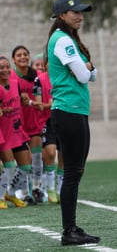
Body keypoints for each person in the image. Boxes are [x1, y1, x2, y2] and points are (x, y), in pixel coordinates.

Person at [45, 0, 99, 246]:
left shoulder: (69, 40)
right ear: (61, 16)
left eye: (81, 12)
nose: (80, 16)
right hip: (69, 111)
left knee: (75, 172)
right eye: (75, 12)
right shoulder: (62, 40)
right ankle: (69, 231)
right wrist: (87, 67)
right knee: (72, 172)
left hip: (74, 111)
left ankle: (72, 228)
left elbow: (91, 74)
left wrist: (87, 68)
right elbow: (83, 73)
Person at [11, 45, 45, 205]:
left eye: (25, 54)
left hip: (34, 119)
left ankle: (37, 188)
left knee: (37, 157)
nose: (23, 57)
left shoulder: (37, 75)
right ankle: (24, 193)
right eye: (19, 55)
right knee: (25, 159)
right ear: (14, 59)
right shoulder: (11, 76)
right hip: (18, 123)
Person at [0, 56, 32, 209]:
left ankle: (11, 193)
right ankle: (0, 196)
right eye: (1, 67)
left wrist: (24, 98)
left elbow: (20, 99)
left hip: (17, 130)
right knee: (8, 165)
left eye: (7, 67)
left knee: (26, 166)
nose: (5, 70)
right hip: (3, 132)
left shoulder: (15, 83)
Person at [32, 58, 59, 203]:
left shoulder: (62, 76)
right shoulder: (39, 80)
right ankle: (50, 189)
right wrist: (48, 105)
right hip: (47, 121)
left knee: (64, 156)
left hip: (63, 118)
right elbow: (38, 105)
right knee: (50, 152)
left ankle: (60, 190)